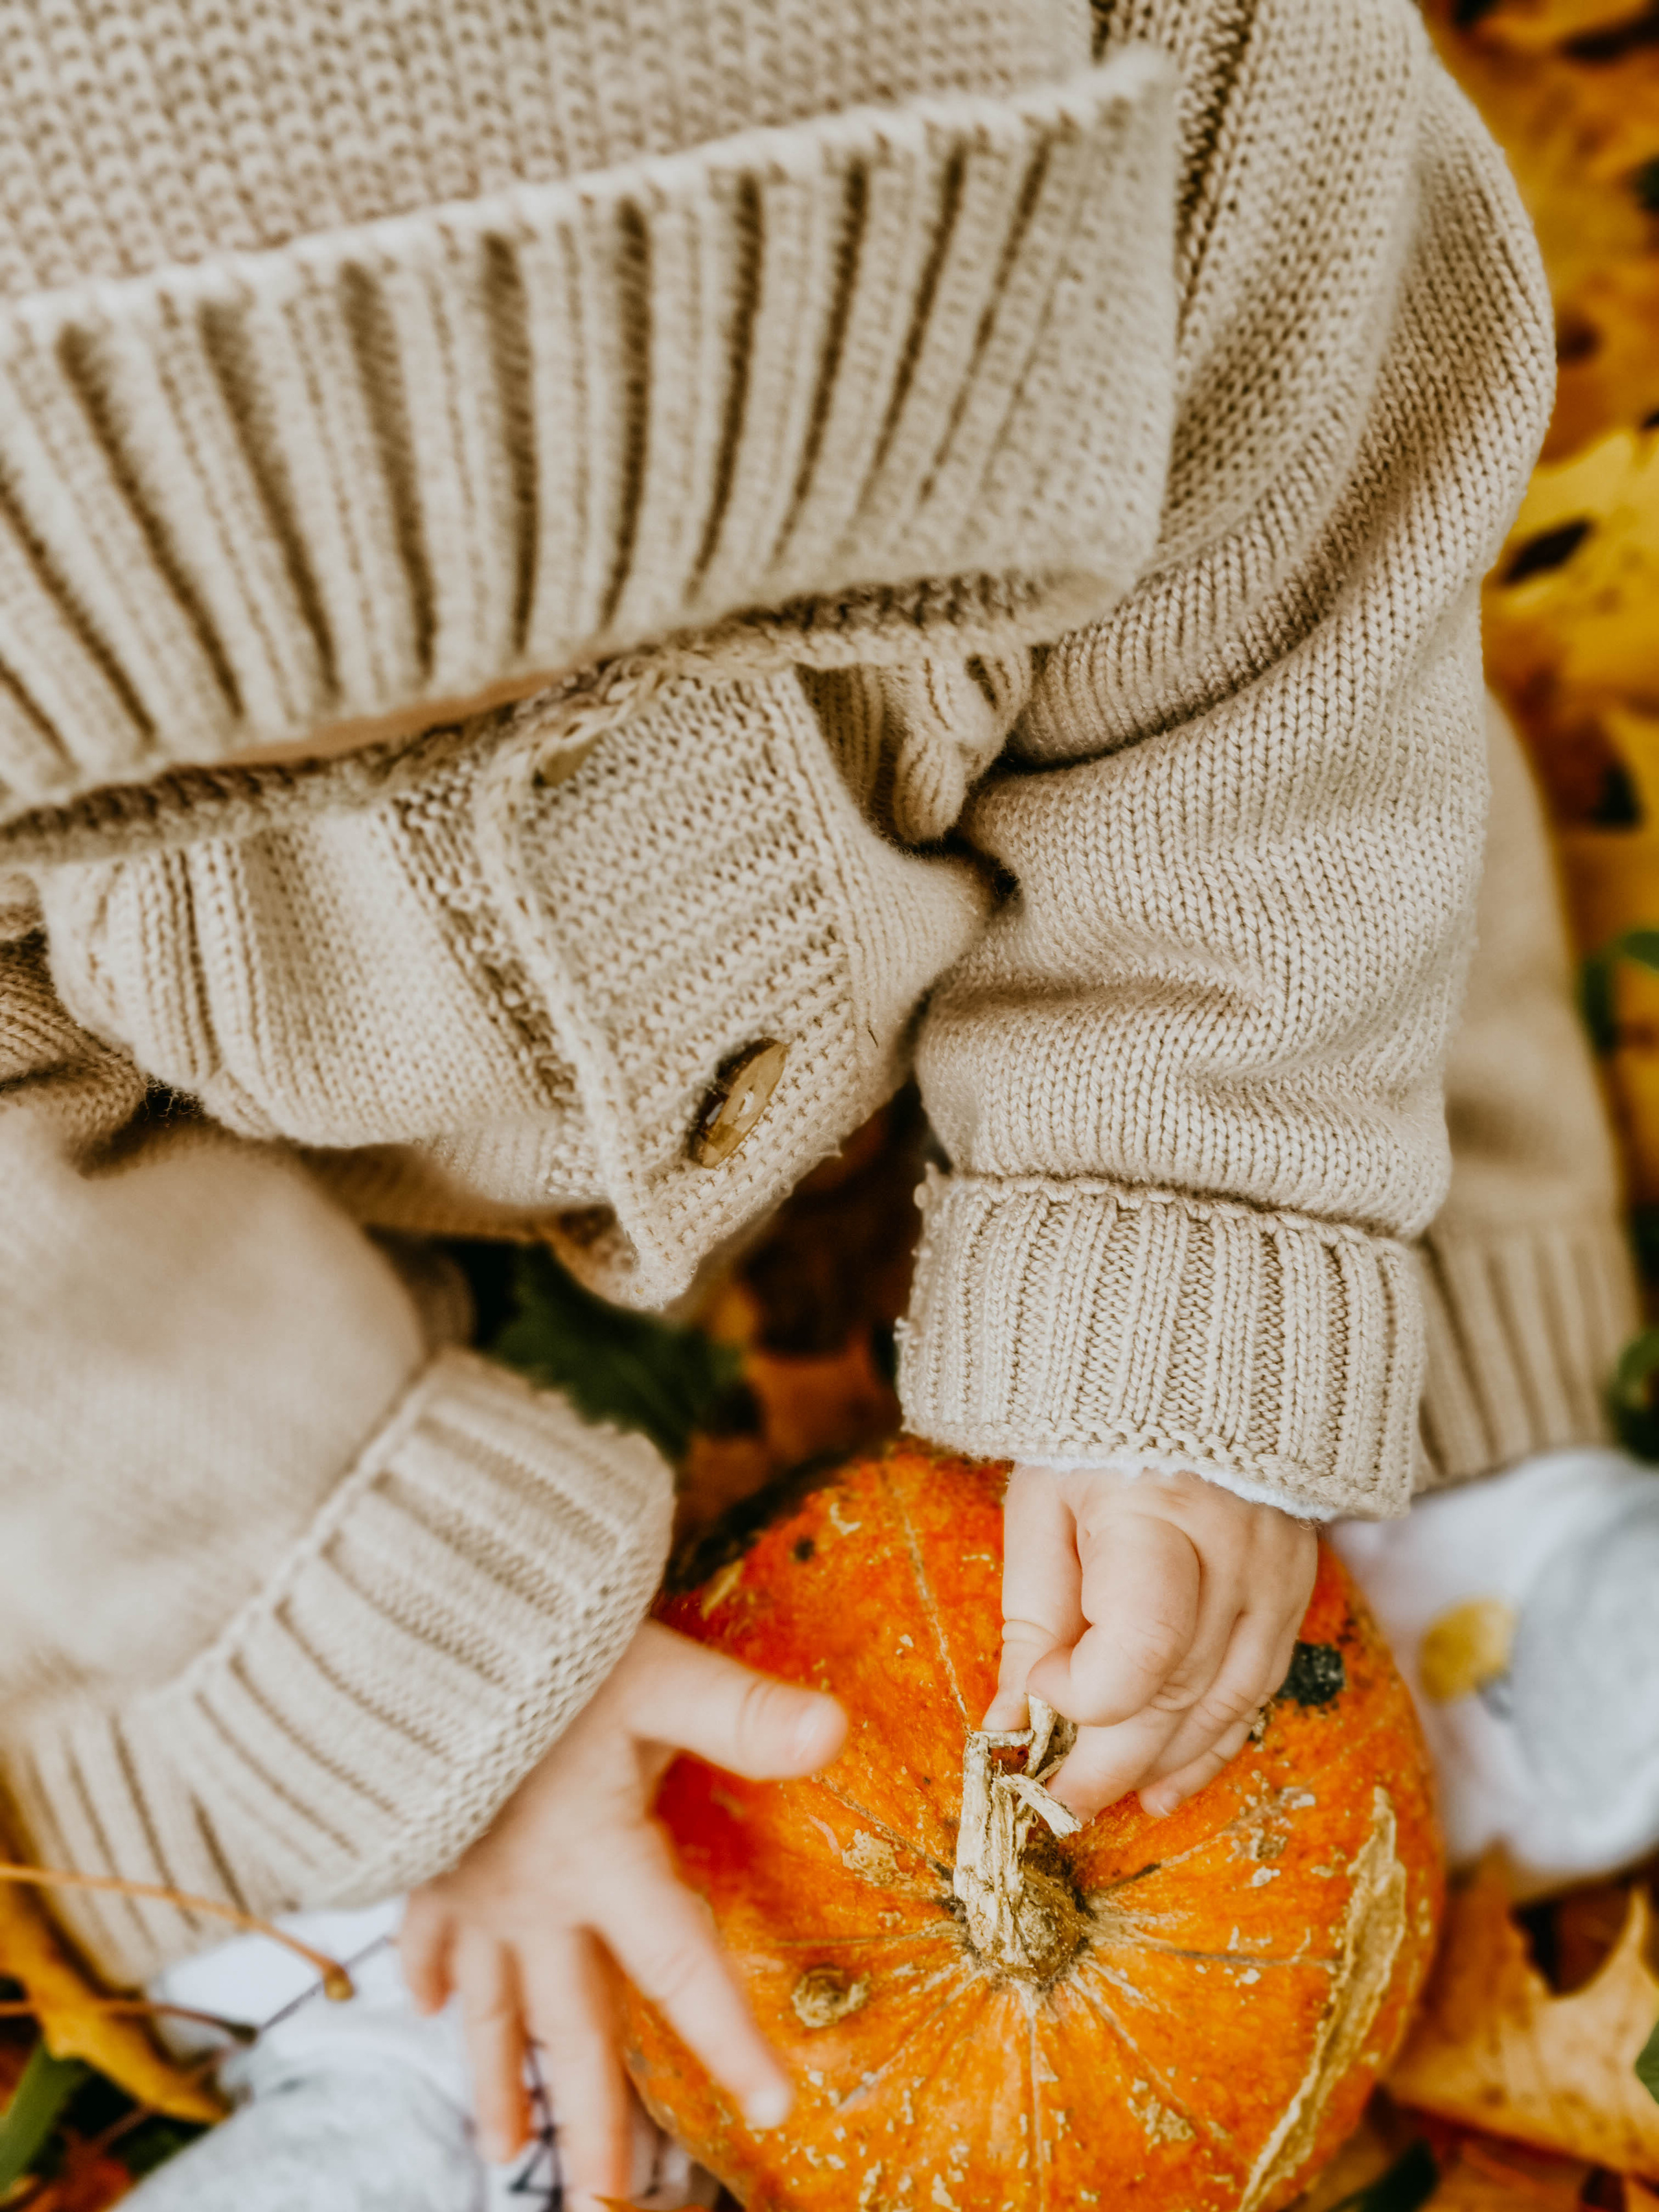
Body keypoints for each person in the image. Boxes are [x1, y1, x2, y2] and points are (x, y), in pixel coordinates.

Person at [0, 0, 1647, 2206]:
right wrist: (403, 1653)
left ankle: (1459, 1512)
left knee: (1323, 858)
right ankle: (408, 1988)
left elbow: (1277, 588)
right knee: (186, 1539)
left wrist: (1187, 1224)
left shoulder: (1181, 108)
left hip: (1066, 862)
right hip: (223, 1170)